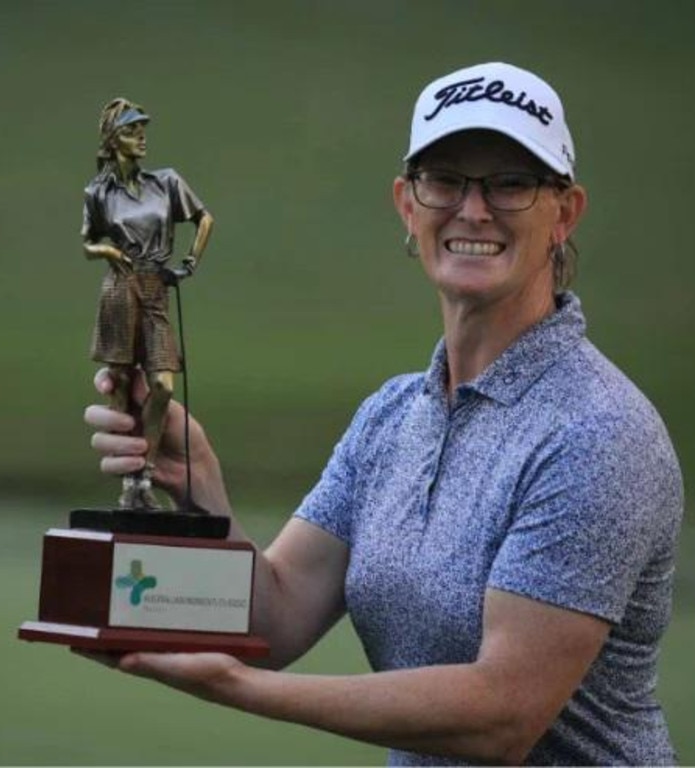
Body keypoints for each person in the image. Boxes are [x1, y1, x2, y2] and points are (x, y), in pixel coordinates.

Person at [82, 62, 684, 765]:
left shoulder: (595, 432)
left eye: (510, 184)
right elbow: (275, 617)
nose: (473, 209)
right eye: (444, 180)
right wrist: (203, 490)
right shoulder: (394, 415)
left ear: (565, 213)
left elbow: (501, 714)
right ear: (406, 203)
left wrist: (237, 687)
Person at [82, 97, 214, 510]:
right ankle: (132, 487)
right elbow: (87, 241)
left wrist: (189, 263)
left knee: (161, 384)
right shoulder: (99, 192)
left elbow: (205, 219)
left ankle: (148, 467)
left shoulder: (166, 182)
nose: (141, 137)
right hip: (120, 288)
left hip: (156, 285)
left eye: (142, 130)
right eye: (130, 130)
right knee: (120, 380)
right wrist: (107, 252)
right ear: (111, 139)